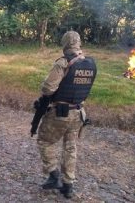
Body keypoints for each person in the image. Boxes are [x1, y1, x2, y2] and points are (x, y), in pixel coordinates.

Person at [32, 30, 96, 199]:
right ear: (79, 42)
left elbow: (48, 89)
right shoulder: (90, 63)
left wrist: (44, 85)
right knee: (70, 147)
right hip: (79, 112)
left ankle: (54, 176)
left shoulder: (63, 63)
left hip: (61, 112)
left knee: (44, 141)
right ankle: (68, 185)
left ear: (65, 44)